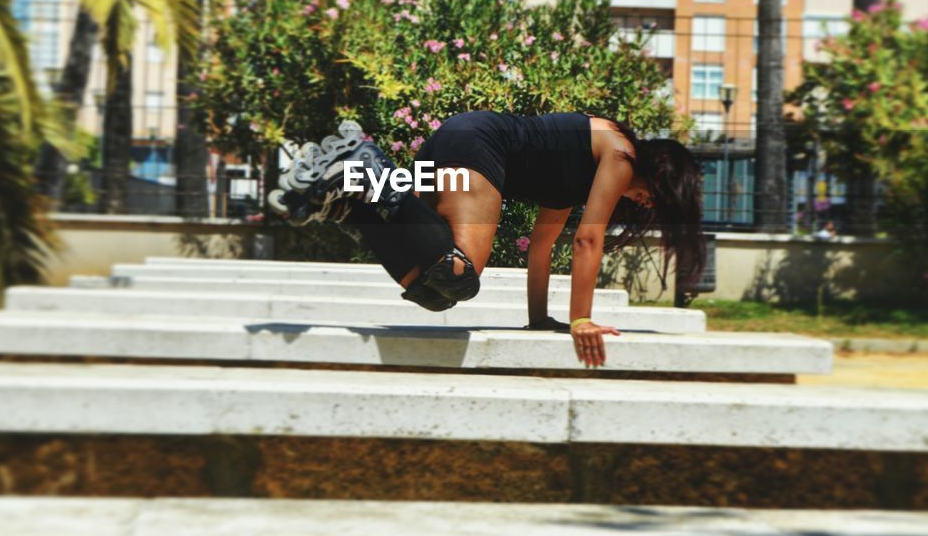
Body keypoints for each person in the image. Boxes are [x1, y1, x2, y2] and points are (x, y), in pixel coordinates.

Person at [269, 111, 704, 367]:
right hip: (479, 143)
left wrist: (540, 319)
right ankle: (366, 167)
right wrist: (581, 320)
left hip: (459, 137)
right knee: (460, 273)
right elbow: (587, 241)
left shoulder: (579, 170)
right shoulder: (621, 153)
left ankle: (351, 196)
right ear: (661, 172)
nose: (649, 206)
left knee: (436, 291)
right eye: (658, 198)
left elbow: (542, 246)